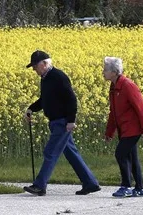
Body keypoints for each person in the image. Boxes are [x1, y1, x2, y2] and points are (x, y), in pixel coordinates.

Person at [22, 50, 100, 196]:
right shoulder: (45, 78)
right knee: (71, 153)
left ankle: (39, 186)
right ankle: (90, 183)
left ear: (44, 64)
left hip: (62, 122)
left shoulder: (58, 77)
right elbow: (45, 100)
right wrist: (31, 109)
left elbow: (71, 99)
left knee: (50, 152)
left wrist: (71, 120)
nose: (33, 69)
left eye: (35, 66)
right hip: (56, 121)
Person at [103, 56, 143, 197]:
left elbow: (141, 108)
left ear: (114, 72)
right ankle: (140, 187)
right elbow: (113, 112)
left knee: (120, 153)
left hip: (133, 129)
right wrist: (109, 132)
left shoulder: (127, 85)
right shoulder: (114, 87)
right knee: (132, 157)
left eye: (105, 70)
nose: (103, 72)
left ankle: (125, 186)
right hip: (124, 130)